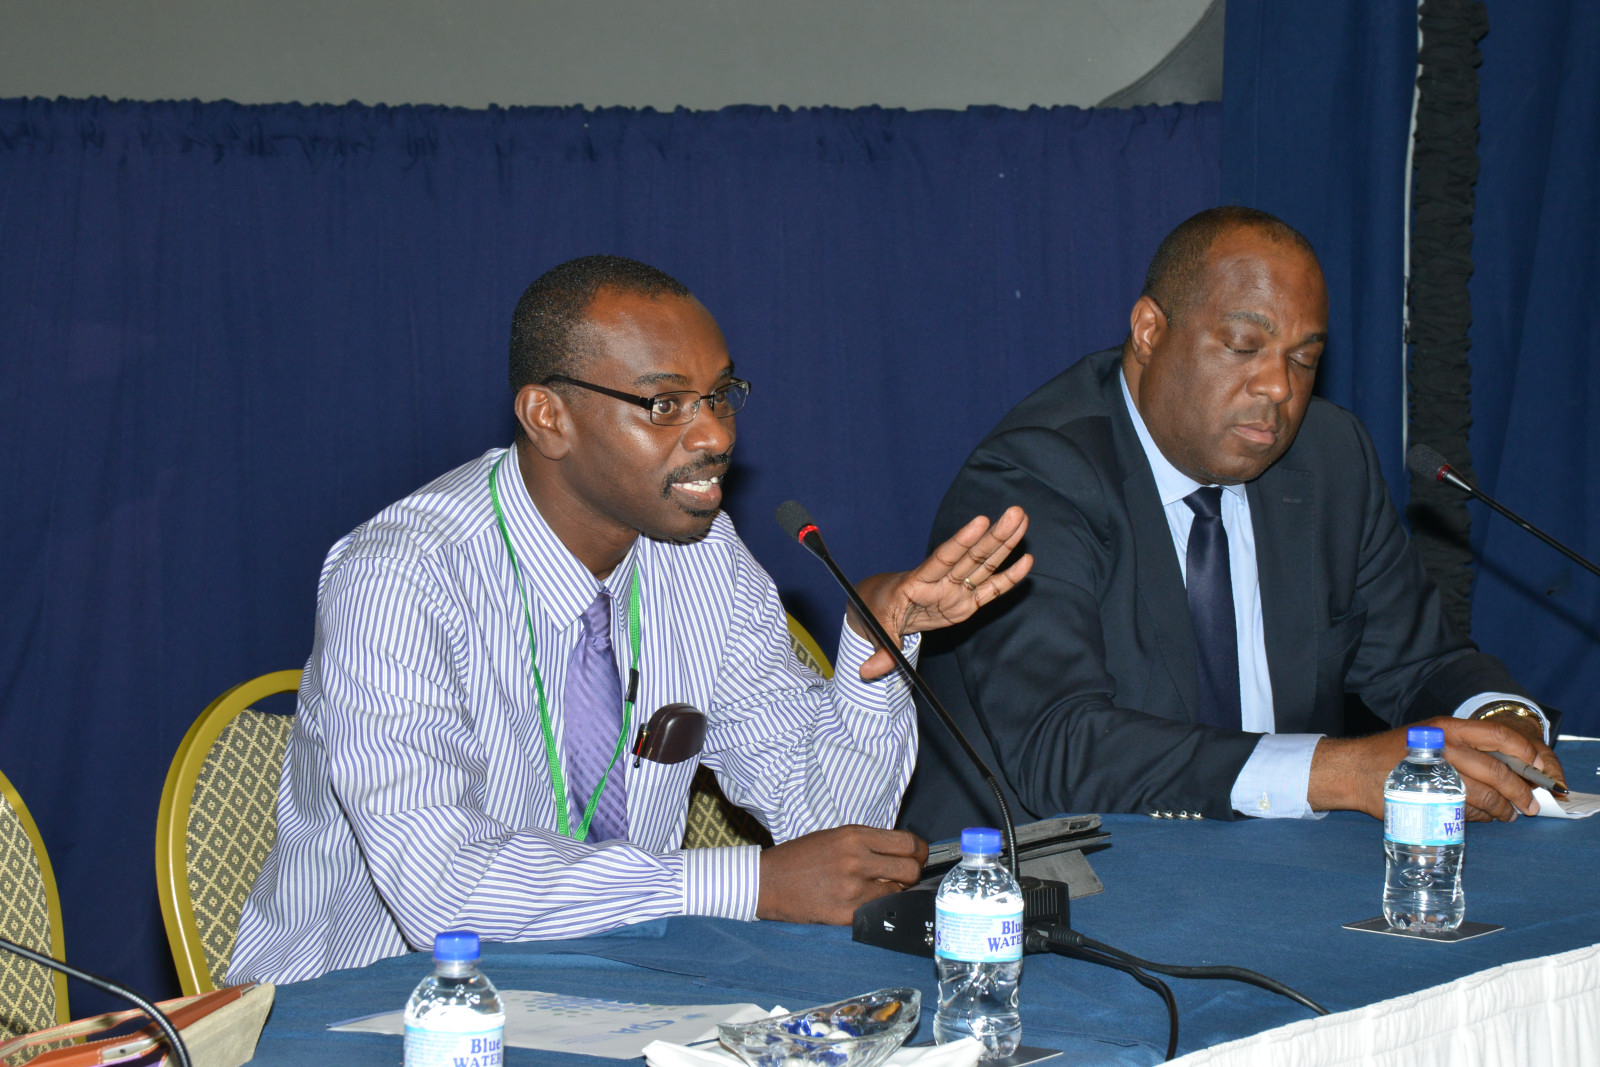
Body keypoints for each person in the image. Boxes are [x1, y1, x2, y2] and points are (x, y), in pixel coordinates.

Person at [229, 255, 1031, 984]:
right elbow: (443, 888)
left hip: (605, 996)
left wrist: (874, 648)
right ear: (548, 416)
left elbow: (828, 828)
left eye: (720, 395)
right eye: (664, 403)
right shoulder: (401, 576)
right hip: (361, 1010)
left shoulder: (703, 558)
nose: (714, 434)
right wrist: (750, 882)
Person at [900, 207, 1564, 839]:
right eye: (1245, 346)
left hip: (1275, 876)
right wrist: (1339, 770)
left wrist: (1500, 721)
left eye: (1304, 359)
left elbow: (1421, 664)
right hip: (1049, 882)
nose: (1279, 386)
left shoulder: (1330, 459)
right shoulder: (1034, 476)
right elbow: (1062, 748)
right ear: (1149, 331)